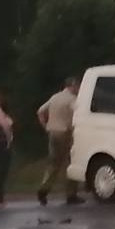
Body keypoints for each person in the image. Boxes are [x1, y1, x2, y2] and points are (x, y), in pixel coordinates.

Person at [37, 77, 82, 206]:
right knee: (71, 163)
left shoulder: (54, 97)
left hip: (52, 132)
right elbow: (78, 112)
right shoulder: (72, 99)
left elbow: (40, 111)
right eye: (77, 86)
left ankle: (43, 189)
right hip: (65, 133)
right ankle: (71, 194)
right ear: (72, 86)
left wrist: (45, 126)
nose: (78, 89)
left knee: (53, 164)